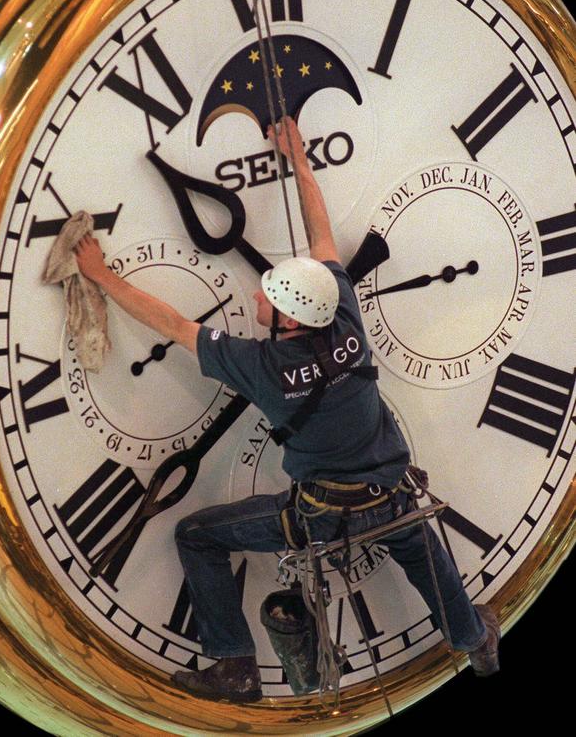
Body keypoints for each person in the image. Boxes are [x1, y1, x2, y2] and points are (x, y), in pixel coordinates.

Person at [74, 116, 500, 704]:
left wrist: (101, 276)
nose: (256, 294)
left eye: (269, 296)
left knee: (197, 535)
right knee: (419, 546)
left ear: (293, 317)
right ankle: (474, 638)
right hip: (393, 494)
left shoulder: (262, 369)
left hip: (321, 518)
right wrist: (298, 158)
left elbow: (170, 323)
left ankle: (235, 665)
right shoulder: (343, 314)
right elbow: (321, 235)